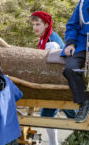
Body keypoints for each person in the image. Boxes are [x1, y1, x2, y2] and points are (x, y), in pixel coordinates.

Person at [31, 11, 76, 145]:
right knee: (48, 115)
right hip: (57, 84)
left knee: (74, 115)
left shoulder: (51, 42)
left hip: (61, 84)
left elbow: (50, 68)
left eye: (38, 24)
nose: (35, 28)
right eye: (33, 24)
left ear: (46, 24)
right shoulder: (45, 37)